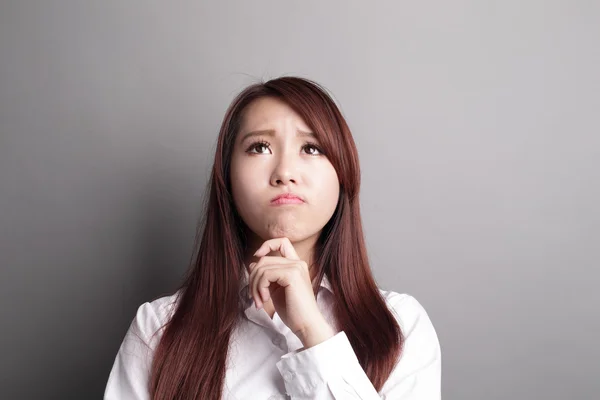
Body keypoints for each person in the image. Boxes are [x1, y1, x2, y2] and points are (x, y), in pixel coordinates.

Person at [103, 76, 441, 399]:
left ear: (344, 174)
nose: (285, 173)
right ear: (227, 177)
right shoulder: (158, 330)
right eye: (260, 147)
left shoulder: (400, 327)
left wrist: (313, 331)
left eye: (311, 148)